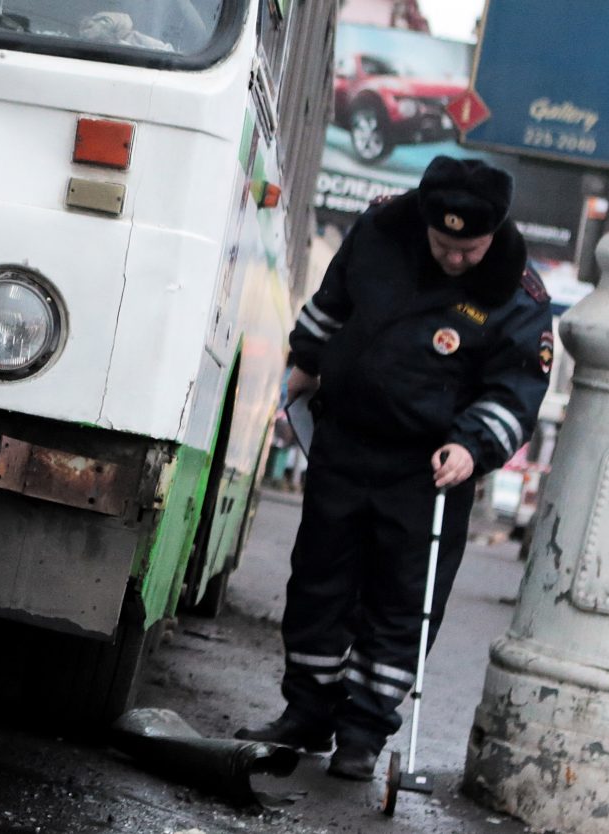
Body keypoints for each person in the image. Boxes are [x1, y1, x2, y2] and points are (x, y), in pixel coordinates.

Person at [235, 156, 553, 781]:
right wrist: (305, 363)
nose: (455, 259)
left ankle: (361, 734)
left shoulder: (518, 291)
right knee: (317, 583)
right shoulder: (380, 230)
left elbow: (516, 388)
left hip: (429, 471)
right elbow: (333, 301)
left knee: (402, 602)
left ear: (494, 235)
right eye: (443, 244)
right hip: (347, 442)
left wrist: (471, 446)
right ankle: (306, 713)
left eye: (470, 249)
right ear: (425, 221)